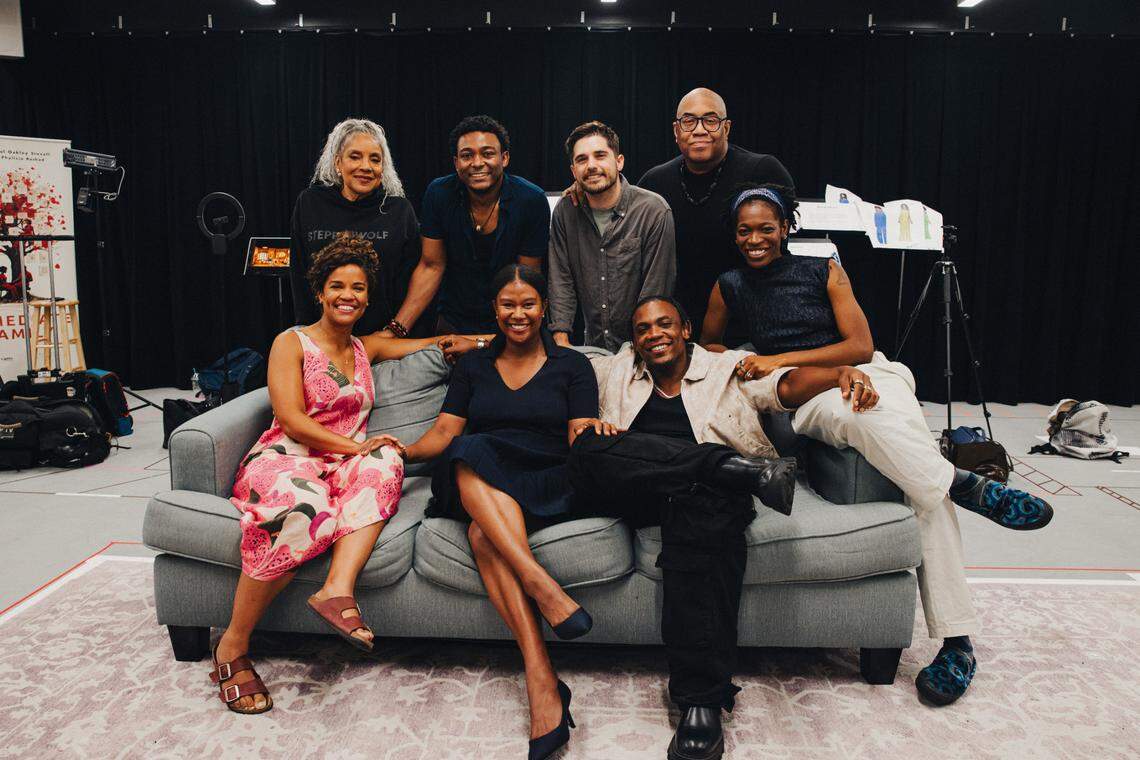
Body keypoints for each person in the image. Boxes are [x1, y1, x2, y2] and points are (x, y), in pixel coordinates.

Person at [702, 183, 1055, 707]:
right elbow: (709, 346)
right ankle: (957, 520)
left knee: (898, 449)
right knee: (903, 461)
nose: (755, 238)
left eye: (765, 228)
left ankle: (957, 621)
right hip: (812, 393)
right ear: (734, 235)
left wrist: (780, 358)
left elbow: (860, 345)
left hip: (872, 372)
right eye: (744, 230)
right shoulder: (728, 284)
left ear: (786, 229)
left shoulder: (824, 270)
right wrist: (763, 362)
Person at [570, 295, 877, 760]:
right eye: (643, 329)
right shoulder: (614, 370)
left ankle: (701, 702)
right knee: (590, 447)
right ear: (633, 340)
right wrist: (476, 344)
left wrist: (838, 375)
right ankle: (734, 468)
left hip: (702, 500)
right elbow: (545, 364)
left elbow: (785, 386)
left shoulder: (726, 369)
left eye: (665, 324)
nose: (654, 334)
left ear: (687, 329)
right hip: (638, 489)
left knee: (703, 523)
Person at [213, 235, 475, 715]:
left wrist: (493, 338)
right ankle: (232, 644)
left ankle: (337, 589)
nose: (347, 295)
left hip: (340, 463)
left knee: (390, 457)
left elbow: (438, 344)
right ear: (320, 291)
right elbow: (292, 419)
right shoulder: (290, 342)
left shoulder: (366, 347)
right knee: (306, 509)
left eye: (357, 287)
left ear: (368, 297)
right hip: (286, 458)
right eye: (337, 286)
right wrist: (357, 446)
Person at [391, 265, 600, 760]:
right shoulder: (474, 366)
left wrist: (602, 435)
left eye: (528, 304)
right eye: (508, 304)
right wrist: (400, 451)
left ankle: (542, 663)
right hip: (478, 475)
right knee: (467, 449)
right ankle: (541, 658)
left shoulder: (572, 365)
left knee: (485, 537)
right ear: (495, 310)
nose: (518, 314)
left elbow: (579, 435)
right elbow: (445, 434)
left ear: (544, 308)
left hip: (545, 474)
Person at [637, 87, 794, 338]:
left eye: (710, 120)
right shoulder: (653, 182)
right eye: (689, 121)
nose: (699, 129)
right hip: (676, 324)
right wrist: (582, 189)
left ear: (726, 128)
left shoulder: (763, 172)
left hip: (752, 319)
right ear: (676, 131)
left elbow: (782, 255)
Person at [398, 115, 551, 336]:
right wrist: (397, 328)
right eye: (467, 155)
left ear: (504, 158)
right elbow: (431, 266)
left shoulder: (531, 199)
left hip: (510, 324)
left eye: (487, 153)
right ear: (456, 162)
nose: (477, 163)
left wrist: (501, 338)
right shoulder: (439, 194)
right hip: (452, 323)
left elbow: (527, 277)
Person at [548, 120, 676, 351]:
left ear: (619, 162)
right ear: (573, 171)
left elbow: (656, 287)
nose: (591, 166)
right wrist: (560, 340)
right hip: (592, 348)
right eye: (581, 159)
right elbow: (561, 280)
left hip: (646, 348)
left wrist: (638, 349)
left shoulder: (653, 210)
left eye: (600, 155)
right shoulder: (565, 212)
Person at [289, 118, 423, 336]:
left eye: (375, 159)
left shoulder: (399, 210)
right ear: (337, 163)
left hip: (382, 339)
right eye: (355, 156)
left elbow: (409, 280)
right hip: (321, 337)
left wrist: (393, 333)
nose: (366, 167)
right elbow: (299, 274)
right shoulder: (309, 203)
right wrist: (308, 335)